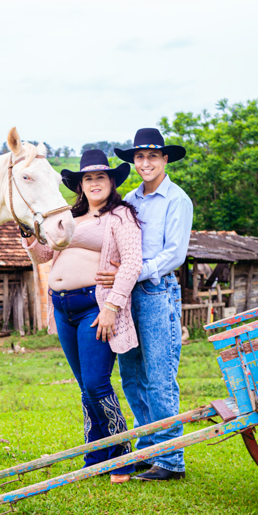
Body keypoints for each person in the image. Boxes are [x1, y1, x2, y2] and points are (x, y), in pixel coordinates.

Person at [21, 149, 143, 483]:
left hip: (95, 305)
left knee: (96, 382)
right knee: (84, 386)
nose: (94, 183)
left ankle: (121, 455)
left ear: (111, 182)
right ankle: (95, 454)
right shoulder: (69, 217)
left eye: (100, 177)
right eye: (88, 178)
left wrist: (112, 307)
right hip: (62, 307)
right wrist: (28, 234)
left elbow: (132, 263)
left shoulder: (120, 216)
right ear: (80, 185)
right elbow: (44, 256)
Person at [95, 127, 192, 482]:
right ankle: (147, 448)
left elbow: (175, 254)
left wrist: (135, 272)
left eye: (153, 156)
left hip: (156, 291)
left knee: (159, 375)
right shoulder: (130, 201)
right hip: (127, 294)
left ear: (165, 159)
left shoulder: (177, 199)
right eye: (139, 157)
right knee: (132, 373)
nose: (145, 162)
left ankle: (170, 459)